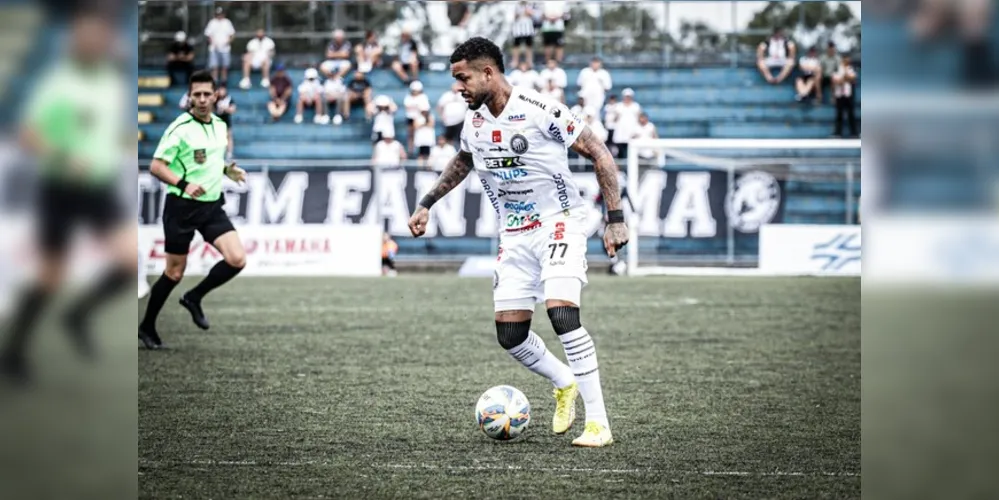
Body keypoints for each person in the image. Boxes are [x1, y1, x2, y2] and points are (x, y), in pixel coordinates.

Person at [408, 37, 627, 447]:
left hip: (559, 222)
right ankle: (565, 382)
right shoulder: (474, 122)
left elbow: (599, 153)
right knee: (510, 335)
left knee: (562, 314)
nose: (459, 87)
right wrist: (427, 203)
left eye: (463, 78)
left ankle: (598, 423)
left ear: (488, 72)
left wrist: (614, 219)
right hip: (515, 233)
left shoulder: (539, 110)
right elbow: (464, 160)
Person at [1, 12, 134, 382]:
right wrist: (64, 155)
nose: (94, 42)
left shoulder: (111, 81)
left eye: (100, 36)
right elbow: (29, 134)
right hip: (60, 187)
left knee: (128, 261)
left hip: (99, 188)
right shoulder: (58, 84)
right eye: (86, 36)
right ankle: (13, 352)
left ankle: (77, 316)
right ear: (75, 41)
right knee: (50, 278)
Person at [139, 70, 248, 350]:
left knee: (237, 259)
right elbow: (157, 166)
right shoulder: (179, 128)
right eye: (196, 94)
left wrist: (227, 170)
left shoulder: (221, 126)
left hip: (211, 206)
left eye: (206, 94)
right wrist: (184, 184)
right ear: (189, 97)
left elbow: (211, 159)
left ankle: (194, 297)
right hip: (181, 208)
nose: (201, 99)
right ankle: (147, 326)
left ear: (215, 96)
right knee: (174, 273)